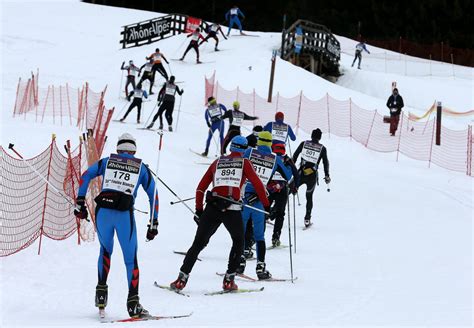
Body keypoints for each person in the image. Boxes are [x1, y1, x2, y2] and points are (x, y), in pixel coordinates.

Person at [74, 133, 159, 318]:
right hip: (123, 215)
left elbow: (85, 176)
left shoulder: (106, 162)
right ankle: (133, 304)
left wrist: (80, 201)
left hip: (103, 212)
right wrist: (153, 223)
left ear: (118, 148)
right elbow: (154, 195)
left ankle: (101, 296)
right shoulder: (141, 167)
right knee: (130, 259)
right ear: (134, 150)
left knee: (105, 251)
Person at [169, 136, 270, 291]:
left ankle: (181, 279)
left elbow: (200, 188)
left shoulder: (218, 162)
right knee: (238, 242)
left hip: (212, 207)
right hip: (232, 209)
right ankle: (229, 280)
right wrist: (266, 206)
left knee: (198, 244)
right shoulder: (244, 162)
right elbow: (258, 185)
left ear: (231, 147)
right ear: (244, 150)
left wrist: (198, 210)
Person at [238, 131, 291, 280]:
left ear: (258, 141)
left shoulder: (249, 151)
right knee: (259, 236)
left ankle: (239, 262)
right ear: (270, 144)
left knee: (240, 232)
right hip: (259, 200)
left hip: (244, 198)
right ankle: (261, 267)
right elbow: (288, 176)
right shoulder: (275, 159)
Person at [292, 128, 330, 227]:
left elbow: (295, 156)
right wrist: (327, 175)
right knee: (309, 197)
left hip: (300, 173)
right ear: (319, 138)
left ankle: (274, 212)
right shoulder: (322, 148)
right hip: (312, 176)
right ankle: (307, 219)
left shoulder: (303, 143)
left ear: (311, 135)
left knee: (288, 189)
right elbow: (325, 163)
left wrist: (290, 168)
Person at [268, 143, 299, 247]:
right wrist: (295, 187)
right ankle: (276, 238)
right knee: (280, 214)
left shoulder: (270, 158)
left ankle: (254, 238)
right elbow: (296, 173)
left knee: (263, 211)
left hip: (269, 188)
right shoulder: (288, 159)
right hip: (282, 189)